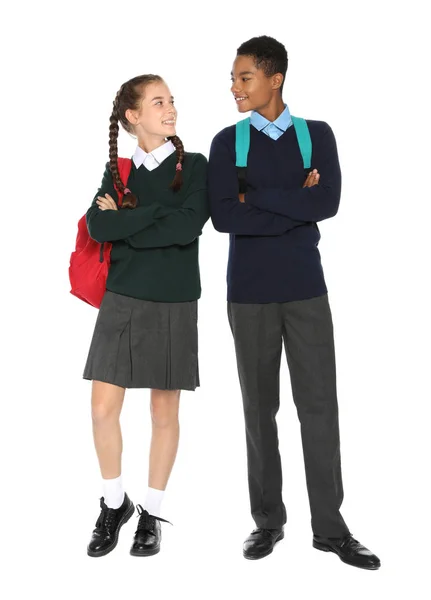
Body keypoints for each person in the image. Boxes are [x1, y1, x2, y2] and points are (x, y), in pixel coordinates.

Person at [208, 36, 380, 569]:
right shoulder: (224, 142)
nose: (234, 86)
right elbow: (223, 217)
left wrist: (253, 194)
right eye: (234, 78)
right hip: (249, 294)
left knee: (320, 409)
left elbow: (326, 202)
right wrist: (293, 204)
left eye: (244, 78)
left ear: (274, 78)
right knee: (259, 412)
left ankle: (330, 529)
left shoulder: (317, 136)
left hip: (307, 291)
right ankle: (268, 522)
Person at [83, 74, 209, 557]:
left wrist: (129, 221)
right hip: (122, 295)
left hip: (175, 298)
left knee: (163, 411)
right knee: (101, 408)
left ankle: (151, 513)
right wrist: (154, 217)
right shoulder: (117, 170)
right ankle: (114, 504)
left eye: (172, 100)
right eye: (159, 102)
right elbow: (98, 223)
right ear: (133, 116)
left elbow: (188, 225)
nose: (171, 108)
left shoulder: (196, 165)